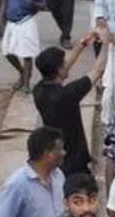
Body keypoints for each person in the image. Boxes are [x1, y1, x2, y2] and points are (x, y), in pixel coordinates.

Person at [32, 34, 106, 175]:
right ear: (59, 70)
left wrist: (83, 43)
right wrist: (107, 41)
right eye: (63, 64)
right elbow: (98, 70)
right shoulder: (67, 95)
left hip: (55, 155)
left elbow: (64, 66)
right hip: (74, 160)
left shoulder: (39, 90)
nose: (67, 64)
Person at [2, 0, 46, 92]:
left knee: (27, 54)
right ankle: (22, 72)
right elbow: (4, 2)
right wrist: (0, 19)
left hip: (26, 21)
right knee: (7, 52)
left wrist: (33, 3)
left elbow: (43, 5)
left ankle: (26, 84)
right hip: (11, 22)